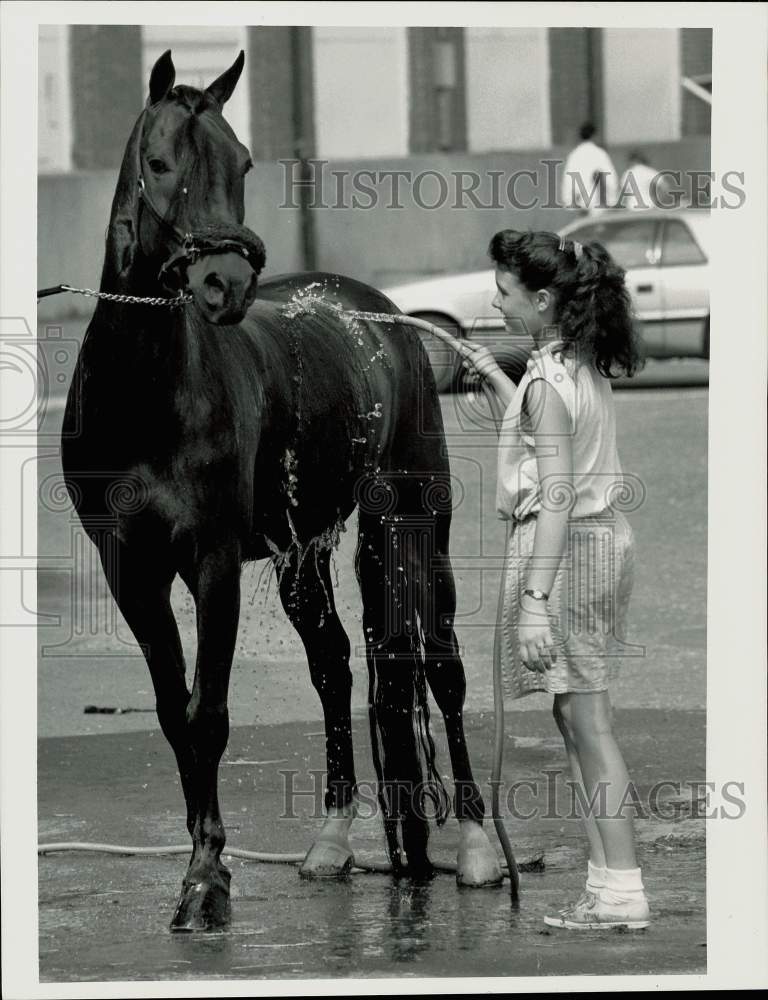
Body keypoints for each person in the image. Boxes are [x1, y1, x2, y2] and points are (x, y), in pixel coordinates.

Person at [458, 229, 649, 930]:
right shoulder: (570, 364)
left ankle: (623, 892)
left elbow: (558, 495)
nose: (495, 301)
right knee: (578, 719)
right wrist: (499, 379)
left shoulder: (549, 380)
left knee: (589, 725)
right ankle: (607, 888)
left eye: (505, 293)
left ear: (541, 299)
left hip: (567, 554)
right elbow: (552, 435)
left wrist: (535, 602)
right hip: (599, 547)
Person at [560, 122, 618, 215]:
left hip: (582, 205)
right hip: (599, 203)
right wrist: (612, 200)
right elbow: (610, 179)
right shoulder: (600, 153)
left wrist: (571, 202)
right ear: (594, 136)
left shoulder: (574, 156)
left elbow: (568, 181)